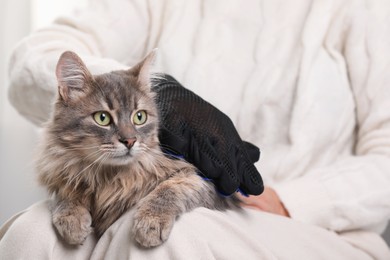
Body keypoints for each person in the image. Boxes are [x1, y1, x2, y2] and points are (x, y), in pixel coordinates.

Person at [1, 0, 390, 259]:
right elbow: (32, 59)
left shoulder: (358, 9)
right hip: (147, 192)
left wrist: (290, 201)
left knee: (166, 242)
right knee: (32, 235)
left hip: (315, 229)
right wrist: (159, 93)